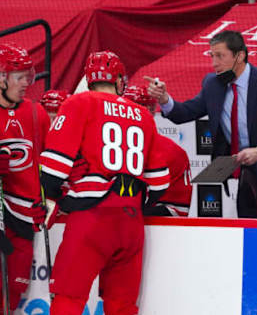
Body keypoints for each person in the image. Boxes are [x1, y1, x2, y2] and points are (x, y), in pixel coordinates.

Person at [40, 51, 170, 315]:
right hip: (131, 223)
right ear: (120, 80)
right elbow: (159, 184)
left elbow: (52, 170)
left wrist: (62, 196)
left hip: (91, 219)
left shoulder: (79, 103)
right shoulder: (143, 116)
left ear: (89, 79)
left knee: (68, 299)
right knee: (122, 307)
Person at [146, 30, 257, 219]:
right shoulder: (212, 84)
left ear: (240, 56)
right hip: (241, 162)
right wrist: (165, 99)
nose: (214, 63)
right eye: (212, 56)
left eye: (220, 56)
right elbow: (186, 112)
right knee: (246, 205)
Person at [0, 42, 50, 315]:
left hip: (25, 216)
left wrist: (48, 199)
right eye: (19, 76)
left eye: (28, 75)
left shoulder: (35, 112)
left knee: (13, 294)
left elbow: (47, 161)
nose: (27, 82)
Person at [123, 85, 192, 216]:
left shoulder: (174, 152)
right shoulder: (106, 146)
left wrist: (133, 214)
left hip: (153, 228)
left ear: (151, 110)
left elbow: (178, 210)